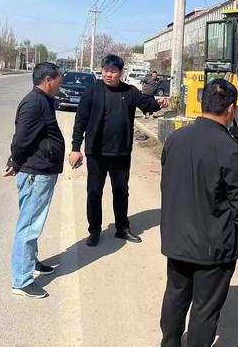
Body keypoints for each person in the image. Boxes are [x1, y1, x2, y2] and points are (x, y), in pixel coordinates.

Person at [160, 78, 238, 347]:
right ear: (230, 109)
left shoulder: (175, 138)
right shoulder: (229, 148)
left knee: (175, 296)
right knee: (205, 310)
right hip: (212, 247)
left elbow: (166, 185)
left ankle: (169, 345)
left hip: (177, 239)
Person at [69, 54, 167, 247]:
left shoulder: (129, 92)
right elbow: (80, 120)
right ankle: (94, 231)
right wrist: (75, 147)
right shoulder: (93, 91)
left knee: (121, 191)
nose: (108, 74)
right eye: (106, 70)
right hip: (96, 153)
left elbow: (147, 103)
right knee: (94, 192)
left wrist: (159, 104)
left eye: (113, 71)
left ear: (121, 73)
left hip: (121, 154)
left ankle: (122, 228)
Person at [5, 62, 65, 298]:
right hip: (36, 174)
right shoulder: (34, 102)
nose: (62, 82)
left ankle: (30, 262)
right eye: (60, 78)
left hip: (41, 171)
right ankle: (21, 280)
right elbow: (21, 139)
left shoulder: (44, 100)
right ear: (48, 80)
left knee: (32, 222)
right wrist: (15, 162)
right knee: (28, 226)